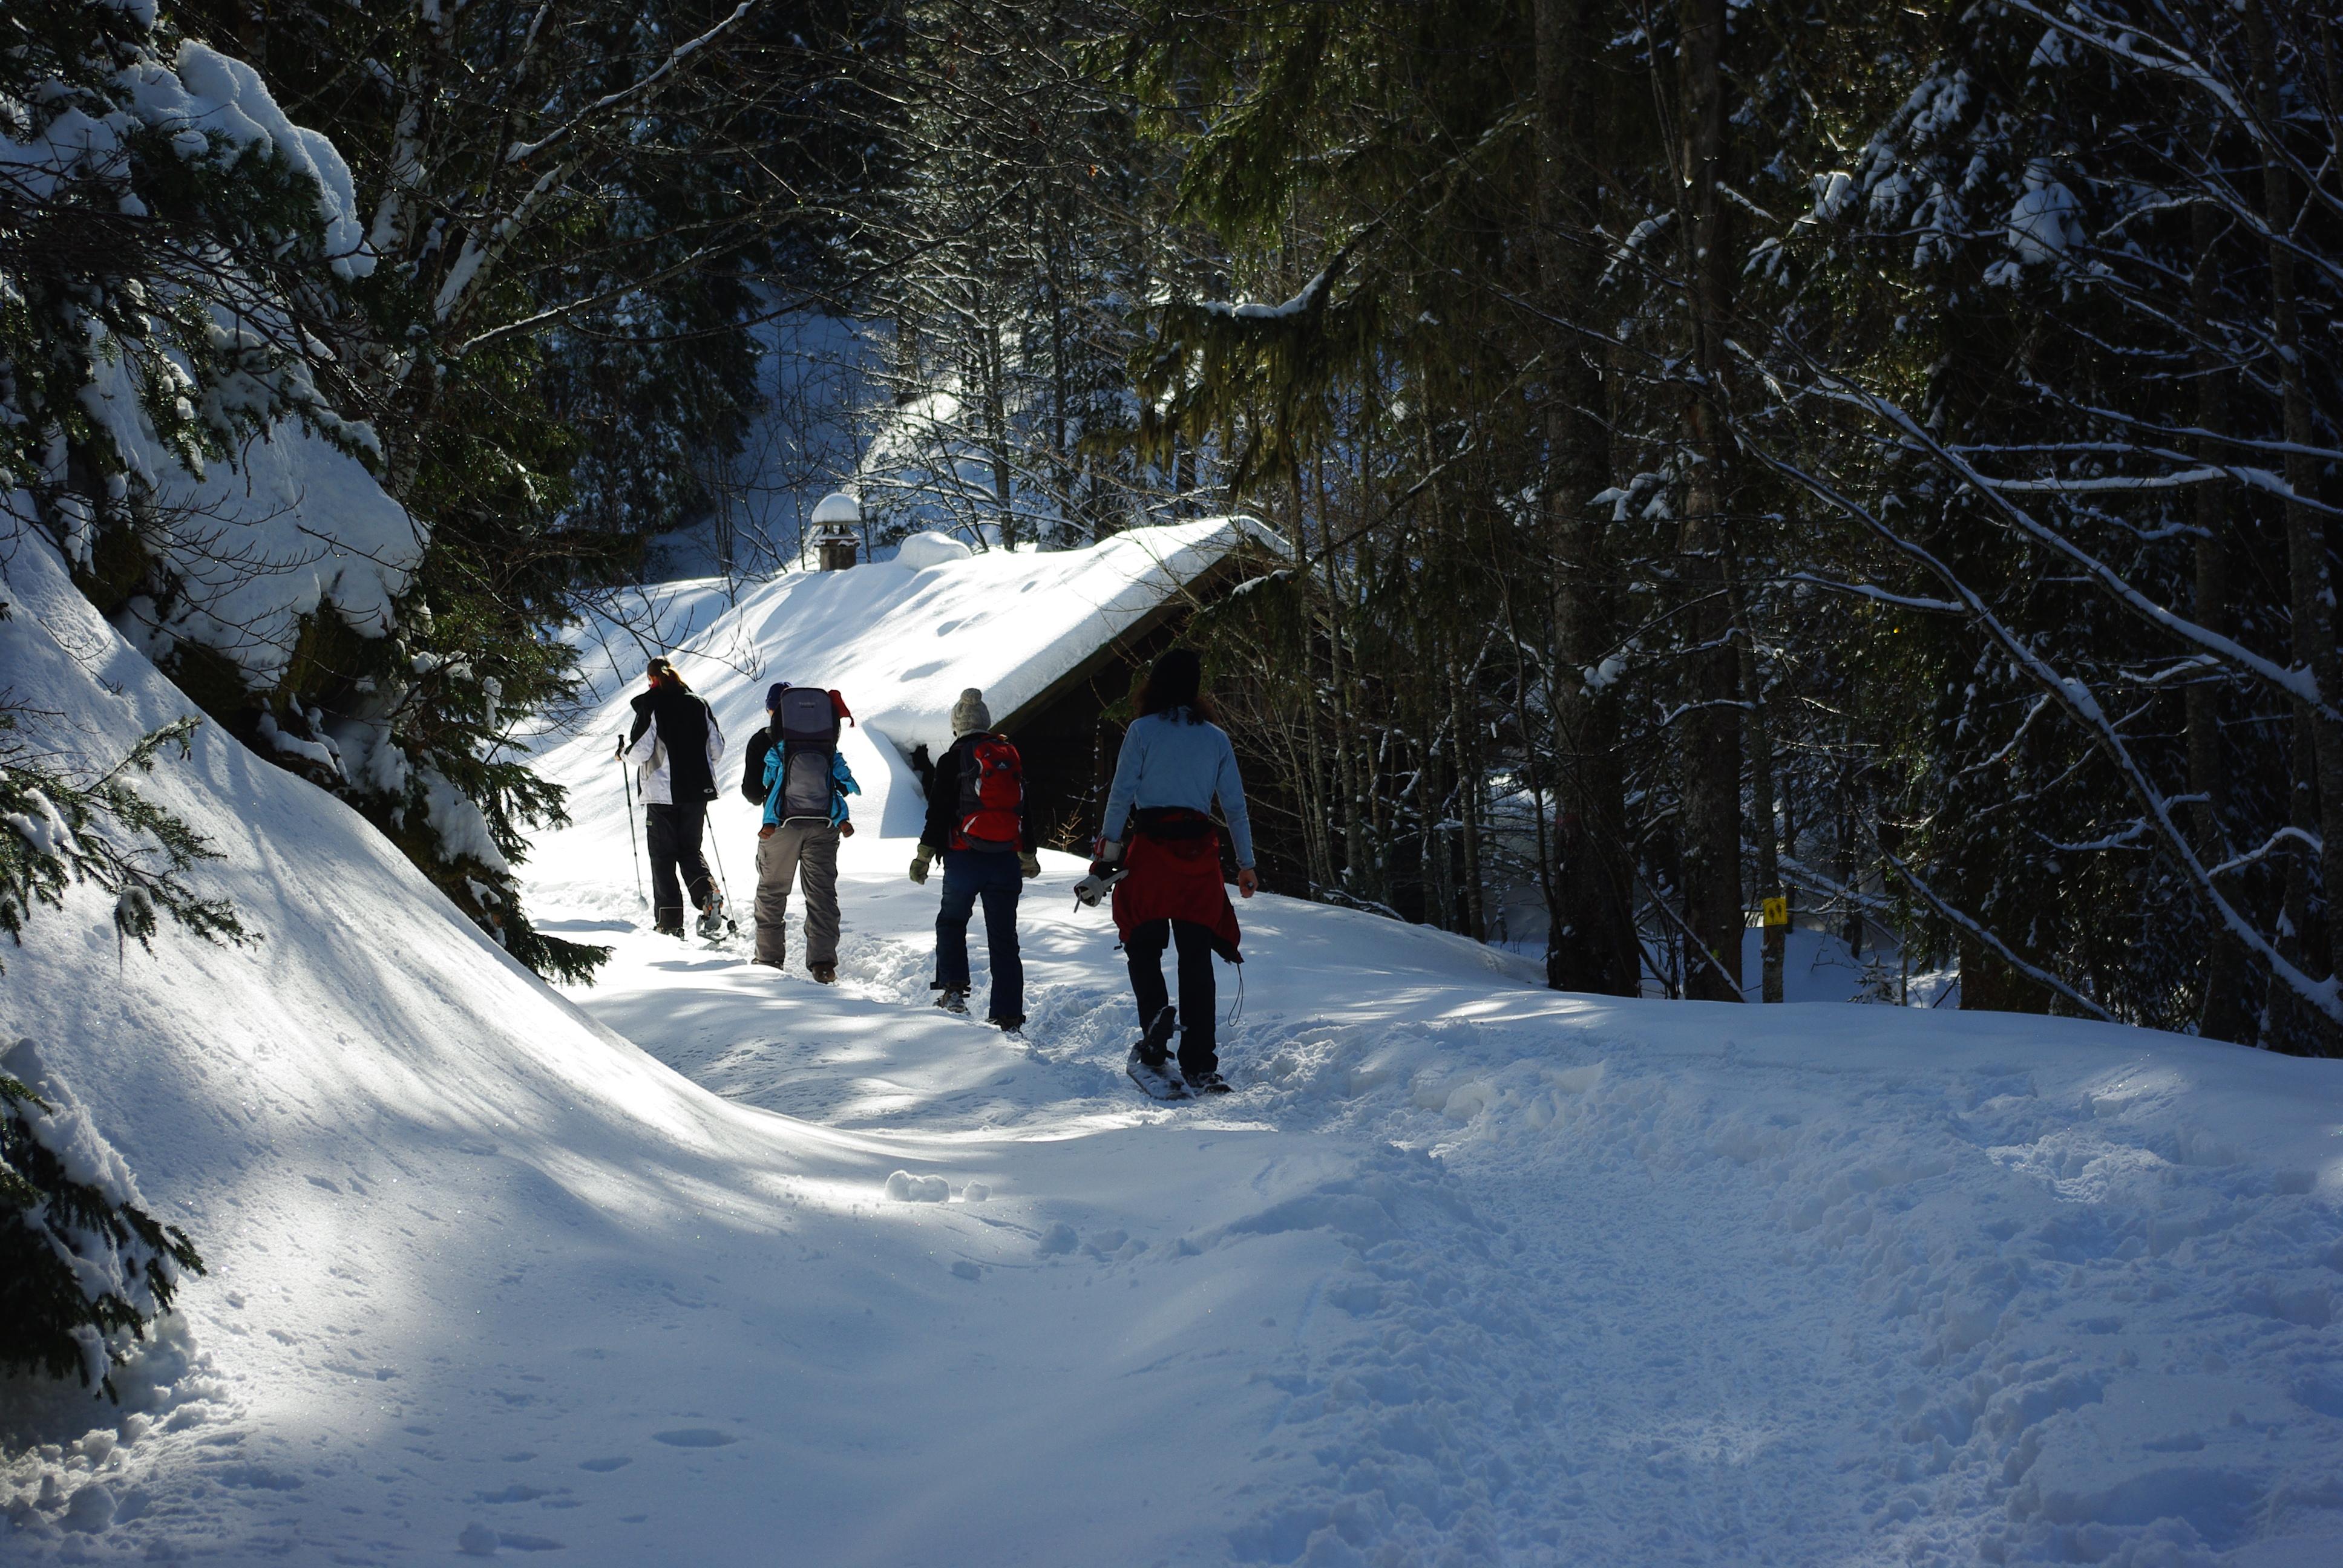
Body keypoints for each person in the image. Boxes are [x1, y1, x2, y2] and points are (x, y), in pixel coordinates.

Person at [1091, 648, 1257, 1093]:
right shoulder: (1216, 739)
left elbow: (1121, 794)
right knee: (1196, 955)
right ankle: (1201, 1061)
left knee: (1143, 944)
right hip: (1197, 858)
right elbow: (1235, 807)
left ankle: (1155, 1029)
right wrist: (1246, 865)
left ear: (1155, 685)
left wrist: (1107, 854)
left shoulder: (1142, 732)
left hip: (1149, 855)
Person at [911, 689, 1040, 1034]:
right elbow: (1024, 809)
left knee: (952, 922)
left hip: (964, 858)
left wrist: (923, 857)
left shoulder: (952, 760)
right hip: (1005, 861)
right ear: (985, 723)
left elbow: (938, 813)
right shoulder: (1007, 754)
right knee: (1004, 938)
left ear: (956, 725)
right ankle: (1008, 1015)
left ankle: (953, 992)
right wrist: (1029, 854)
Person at [741, 682, 858, 982]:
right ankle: (823, 965)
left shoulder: (763, 741)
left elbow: (752, 792)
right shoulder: (822, 734)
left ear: (772, 710)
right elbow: (840, 780)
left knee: (772, 892)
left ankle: (769, 962)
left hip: (780, 826)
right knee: (821, 894)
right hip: (824, 824)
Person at [620, 656, 724, 938]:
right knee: (690, 850)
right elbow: (717, 748)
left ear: (652, 679)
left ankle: (669, 923)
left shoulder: (652, 704)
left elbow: (641, 751)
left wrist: (624, 755)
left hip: (662, 794)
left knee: (663, 857)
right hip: (697, 792)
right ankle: (707, 895)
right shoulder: (698, 703)